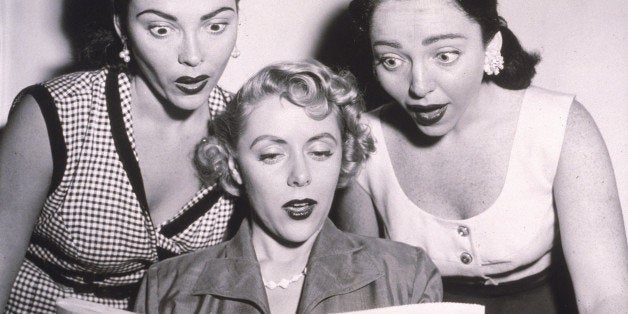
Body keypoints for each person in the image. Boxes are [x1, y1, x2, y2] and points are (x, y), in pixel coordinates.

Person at [334, 0, 628, 313]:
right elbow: (363, 297)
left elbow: (605, 298)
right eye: (391, 60)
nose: (419, 86)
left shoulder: (561, 124)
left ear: (491, 45)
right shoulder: (364, 140)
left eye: (445, 55)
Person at [134, 61, 442, 314]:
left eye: (320, 152)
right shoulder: (168, 290)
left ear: (344, 158)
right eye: (271, 155)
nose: (300, 176)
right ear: (234, 167)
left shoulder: (405, 276)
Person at [0, 0, 240, 311]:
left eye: (215, 26)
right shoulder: (56, 115)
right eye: (162, 29)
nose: (193, 56)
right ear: (122, 27)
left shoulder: (247, 130)